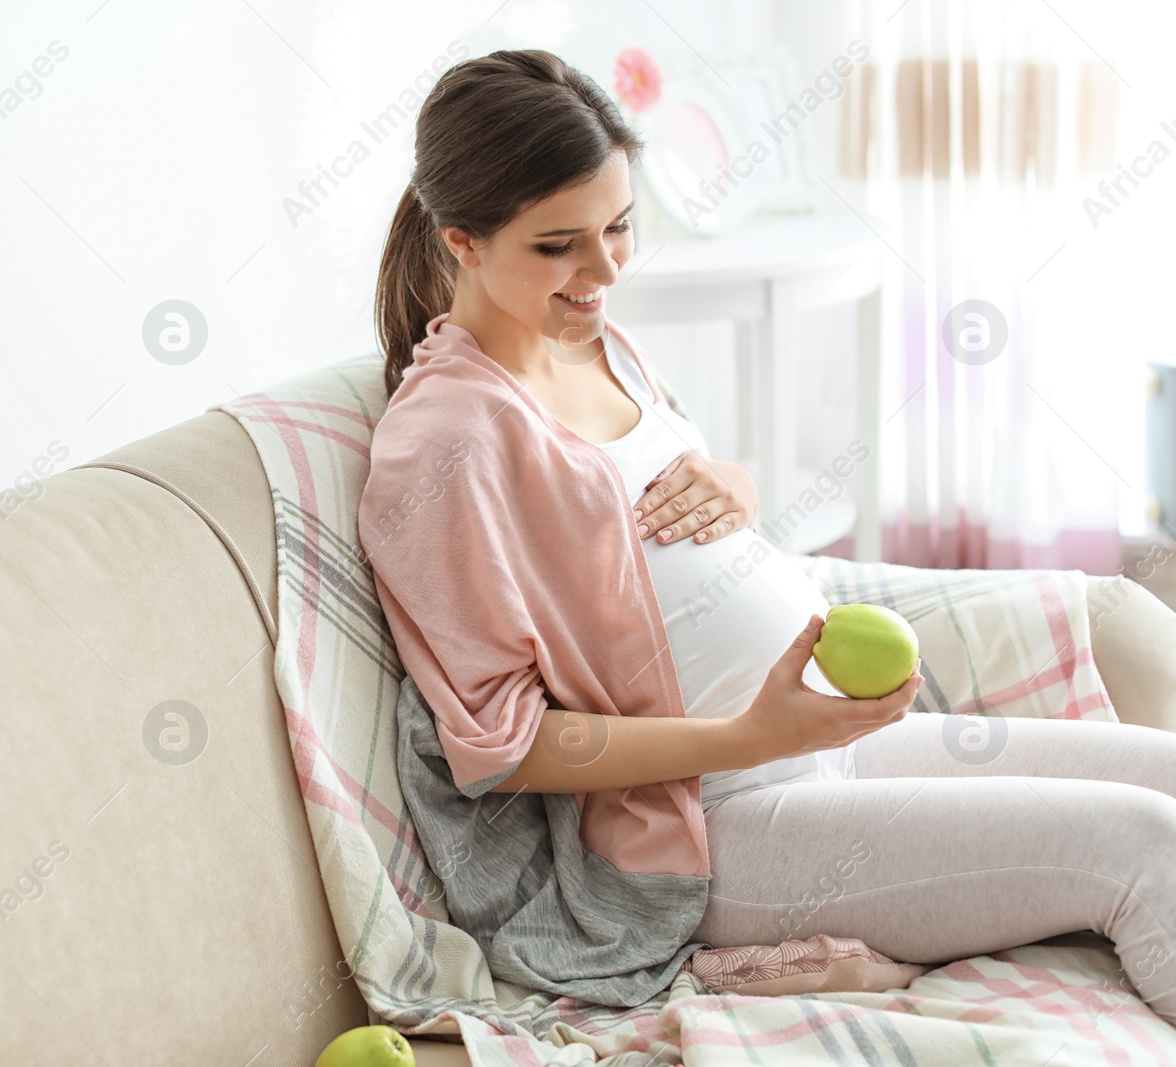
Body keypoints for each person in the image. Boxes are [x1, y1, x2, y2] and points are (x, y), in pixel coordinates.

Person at [362, 47, 1176, 1024]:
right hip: (718, 821)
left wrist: (730, 481)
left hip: (822, 746)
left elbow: (668, 524)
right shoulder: (443, 441)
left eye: (619, 225)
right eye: (558, 244)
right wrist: (751, 734)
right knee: (1144, 842)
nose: (607, 268)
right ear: (460, 240)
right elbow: (498, 744)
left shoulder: (591, 338)